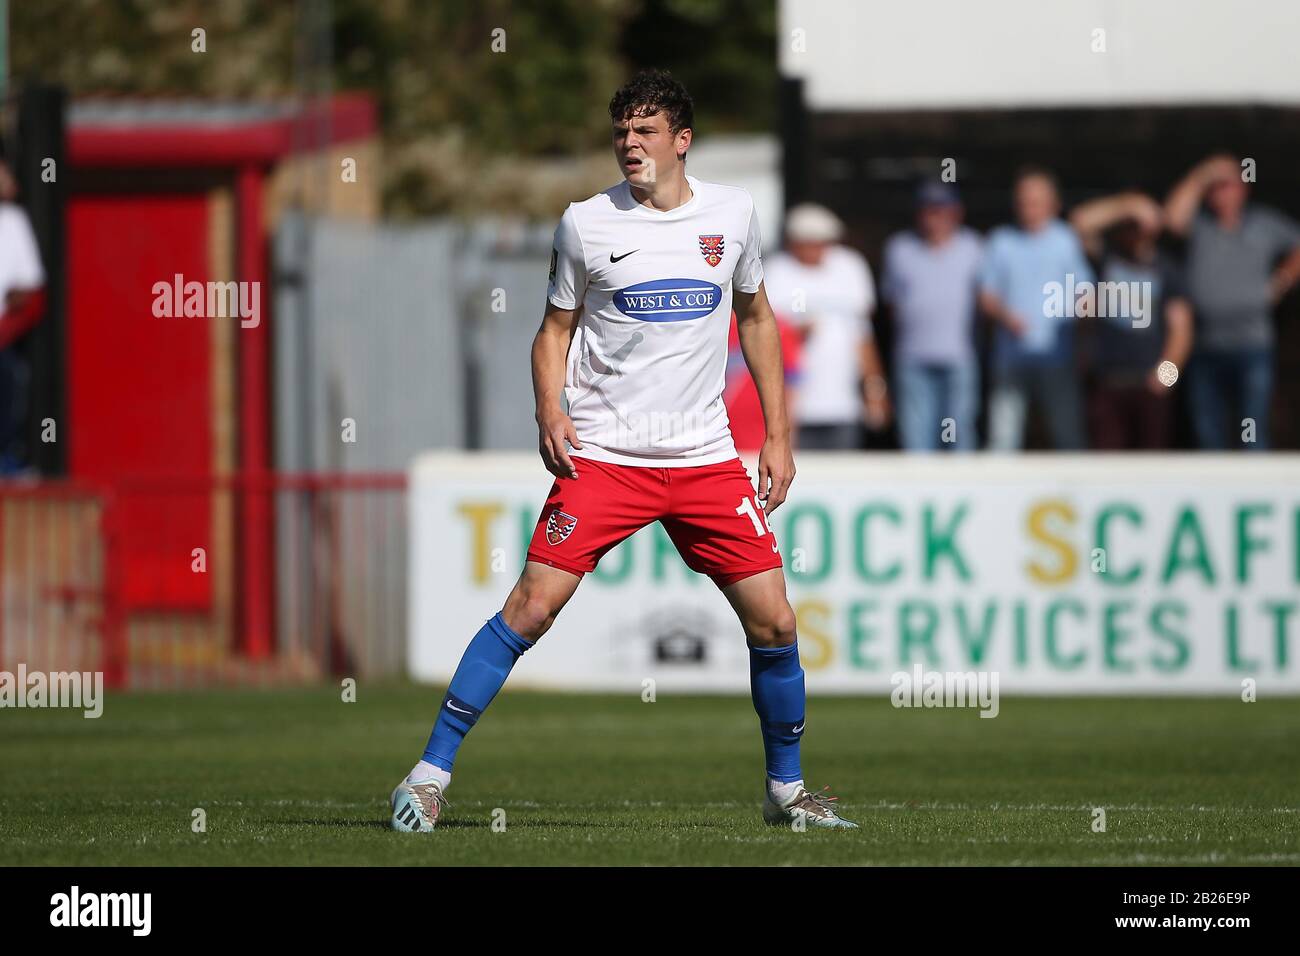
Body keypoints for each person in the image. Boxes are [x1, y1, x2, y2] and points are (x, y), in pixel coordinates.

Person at [390, 70, 857, 832]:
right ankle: (426, 776)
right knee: (531, 607)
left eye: (644, 132)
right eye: (620, 133)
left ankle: (788, 795)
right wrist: (550, 407)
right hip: (607, 456)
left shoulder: (733, 217)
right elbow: (553, 332)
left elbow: (758, 319)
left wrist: (776, 434)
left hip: (705, 456)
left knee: (774, 623)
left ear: (682, 141)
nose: (629, 145)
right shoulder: (586, 223)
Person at [1164, 154, 1300, 450]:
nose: (1219, 193)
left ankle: (1256, 486)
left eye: (1226, 185)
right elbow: (1172, 217)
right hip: (1205, 346)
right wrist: (1202, 174)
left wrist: (1283, 280)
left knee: (1251, 425)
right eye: (1214, 187)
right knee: (1207, 427)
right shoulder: (1200, 226)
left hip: (1253, 345)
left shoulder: (1263, 224)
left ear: (1243, 188)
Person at [978, 167, 1093, 451]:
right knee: (1003, 438)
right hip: (1011, 358)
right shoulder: (1000, 241)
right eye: (1024, 201)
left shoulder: (1066, 240)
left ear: (1053, 204)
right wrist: (1006, 317)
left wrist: (1084, 334)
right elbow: (987, 296)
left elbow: (1085, 292)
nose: (1029, 208)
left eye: (1036, 201)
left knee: (1068, 434)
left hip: (1058, 357)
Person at [1069, 191, 1193, 449]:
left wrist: (1166, 378)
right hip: (1107, 382)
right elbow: (1079, 221)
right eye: (1131, 226)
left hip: (1150, 385)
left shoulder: (1167, 269)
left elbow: (1181, 329)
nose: (1136, 232)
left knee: (1151, 465)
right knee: (1108, 464)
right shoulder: (1108, 260)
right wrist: (1127, 205)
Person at [763, 203, 888, 449]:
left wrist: (875, 391)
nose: (817, 249)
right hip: (792, 409)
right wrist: (792, 334)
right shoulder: (775, 272)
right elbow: (758, 336)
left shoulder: (850, 267)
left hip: (843, 405)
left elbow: (863, 337)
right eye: (809, 242)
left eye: (823, 242)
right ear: (793, 242)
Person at [881, 182, 983, 451]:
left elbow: (986, 300)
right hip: (912, 356)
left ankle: (964, 491)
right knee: (916, 435)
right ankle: (920, 492)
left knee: (960, 432)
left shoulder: (973, 247)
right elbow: (891, 303)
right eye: (929, 210)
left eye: (941, 210)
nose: (935, 217)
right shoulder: (899, 248)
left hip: (960, 355)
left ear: (956, 213)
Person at [0, 158, 46, 474]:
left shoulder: (12, 221)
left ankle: (8, 460)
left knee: (12, 379)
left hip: (3, 336)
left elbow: (30, 289)